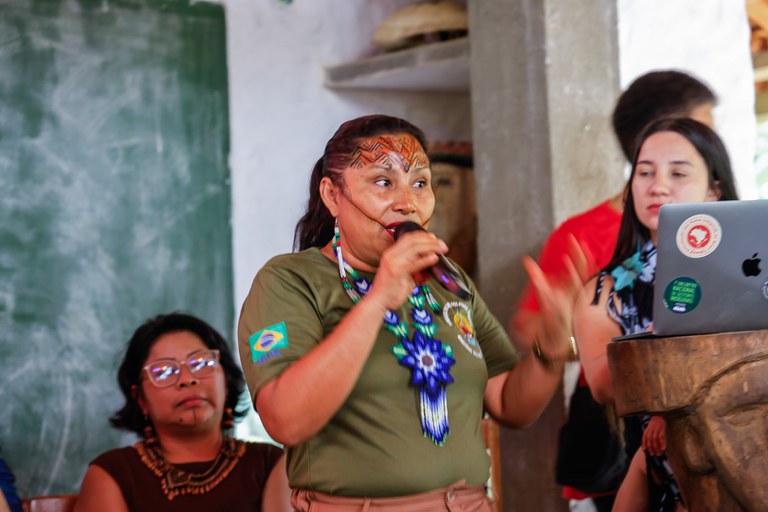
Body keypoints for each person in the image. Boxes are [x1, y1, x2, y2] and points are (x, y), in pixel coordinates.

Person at [237, 114, 587, 511]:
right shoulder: (289, 280)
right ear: (333, 195)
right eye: (384, 182)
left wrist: (553, 346)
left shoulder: (447, 279)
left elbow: (510, 404)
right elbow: (286, 420)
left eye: (420, 183)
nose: (407, 202)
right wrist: (379, 299)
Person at [509, 70, 718, 510]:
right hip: (618, 429)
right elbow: (528, 329)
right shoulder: (584, 233)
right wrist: (585, 336)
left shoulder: (720, 230)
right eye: (703, 128)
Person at [573, 117, 739, 511]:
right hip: (668, 473)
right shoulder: (605, 292)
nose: (657, 185)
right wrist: (662, 342)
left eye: (678, 172)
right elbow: (603, 386)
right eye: (644, 172)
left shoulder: (749, 272)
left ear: (714, 190)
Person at [75, 313, 291, 512]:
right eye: (164, 371)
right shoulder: (112, 473)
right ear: (141, 399)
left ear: (226, 381)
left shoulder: (269, 463)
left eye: (201, 362)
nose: (188, 379)